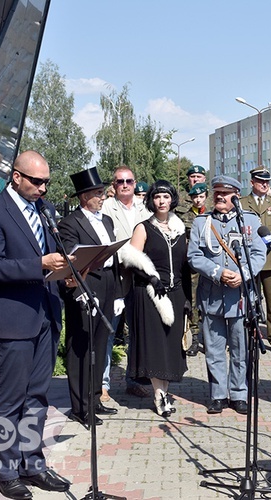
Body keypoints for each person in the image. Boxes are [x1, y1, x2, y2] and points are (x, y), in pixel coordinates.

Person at [0, 151, 72, 499]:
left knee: (36, 398)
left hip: (45, 315)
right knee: (7, 402)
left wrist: (67, 275)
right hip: (11, 321)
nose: (43, 188)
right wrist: (39, 263)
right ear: (16, 177)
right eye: (36, 181)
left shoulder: (43, 211)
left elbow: (50, 261)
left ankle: (32, 464)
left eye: (47, 181)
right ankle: (3, 471)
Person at [187, 176, 266, 415]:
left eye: (226, 193)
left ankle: (239, 393)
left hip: (240, 297)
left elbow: (259, 254)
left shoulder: (250, 220)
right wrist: (219, 272)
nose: (220, 197)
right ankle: (218, 394)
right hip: (212, 296)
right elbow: (194, 256)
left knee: (240, 349)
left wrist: (243, 275)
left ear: (236, 196)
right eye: (217, 193)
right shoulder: (202, 222)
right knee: (214, 349)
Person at [120, 181, 191, 417]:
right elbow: (131, 259)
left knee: (171, 346)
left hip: (176, 292)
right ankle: (159, 396)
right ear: (151, 200)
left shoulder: (180, 229)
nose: (162, 201)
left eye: (166, 196)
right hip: (151, 294)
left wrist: (188, 300)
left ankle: (165, 391)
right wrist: (150, 278)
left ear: (173, 199)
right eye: (158, 197)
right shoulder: (144, 228)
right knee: (155, 347)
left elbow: (184, 267)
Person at [57, 167, 120, 428]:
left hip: (106, 282)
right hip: (84, 285)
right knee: (82, 346)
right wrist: (81, 290)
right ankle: (80, 407)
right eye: (98, 193)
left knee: (101, 342)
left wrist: (117, 293)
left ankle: (94, 398)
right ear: (84, 197)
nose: (103, 196)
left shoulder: (106, 221)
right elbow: (72, 258)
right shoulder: (70, 223)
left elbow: (113, 258)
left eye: (103, 192)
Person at [101, 165, 152, 399]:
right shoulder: (106, 208)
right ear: (114, 185)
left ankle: (133, 379)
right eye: (119, 181)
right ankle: (103, 384)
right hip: (116, 277)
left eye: (128, 181)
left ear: (134, 183)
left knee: (138, 332)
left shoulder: (145, 208)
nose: (124, 185)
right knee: (109, 330)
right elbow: (106, 241)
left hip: (140, 280)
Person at [240, 167, 271, 354]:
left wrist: (265, 242)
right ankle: (249, 332)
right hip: (249, 259)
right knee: (249, 299)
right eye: (260, 181)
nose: (265, 184)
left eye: (267, 181)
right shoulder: (242, 203)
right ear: (252, 183)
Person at [176, 165, 214, 357]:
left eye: (199, 176)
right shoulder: (181, 210)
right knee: (191, 301)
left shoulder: (214, 211)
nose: (198, 199)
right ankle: (194, 337)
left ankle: (210, 339)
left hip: (211, 264)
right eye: (193, 177)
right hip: (191, 265)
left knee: (210, 300)